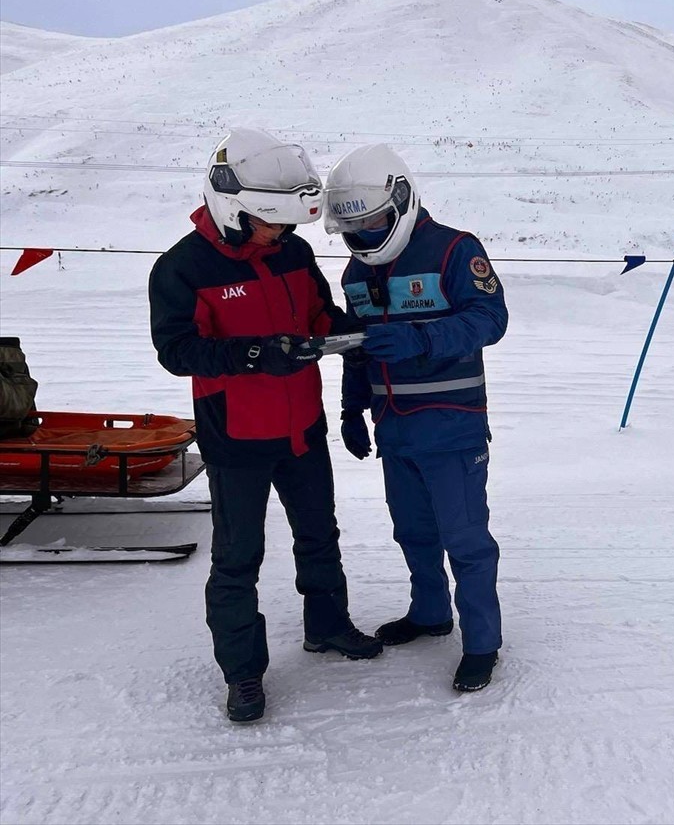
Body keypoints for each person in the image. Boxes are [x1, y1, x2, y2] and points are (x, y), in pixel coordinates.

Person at [148, 127, 383, 724]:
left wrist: (343, 333)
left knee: (320, 536)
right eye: (268, 223)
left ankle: (327, 627)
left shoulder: (294, 253)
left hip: (302, 427)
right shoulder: (182, 268)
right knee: (238, 558)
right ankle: (243, 672)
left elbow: (317, 312)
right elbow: (177, 351)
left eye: (285, 224)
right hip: (236, 440)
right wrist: (255, 353)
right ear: (232, 208)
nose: (279, 233)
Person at [325, 143, 508, 692]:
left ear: (401, 200)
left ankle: (483, 643)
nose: (366, 236)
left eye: (377, 222)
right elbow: (360, 348)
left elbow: (489, 319)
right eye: (356, 228)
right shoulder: (355, 271)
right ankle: (430, 613)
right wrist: (352, 407)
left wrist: (421, 338)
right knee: (413, 532)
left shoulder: (455, 250)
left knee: (466, 539)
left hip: (452, 430)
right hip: (395, 428)